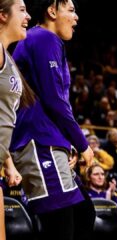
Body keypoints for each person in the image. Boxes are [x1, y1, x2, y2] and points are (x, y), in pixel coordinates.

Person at [9, 1, 94, 239]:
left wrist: (67, 143)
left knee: (83, 213)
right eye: (71, 10)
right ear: (52, 11)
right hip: (38, 140)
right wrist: (83, 144)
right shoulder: (42, 38)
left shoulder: (46, 41)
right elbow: (55, 100)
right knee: (61, 226)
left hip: (48, 140)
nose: (76, 17)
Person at [0, 0, 34, 238]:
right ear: (2, 15)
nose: (28, 16)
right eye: (21, 10)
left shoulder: (7, 56)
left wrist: (8, 163)